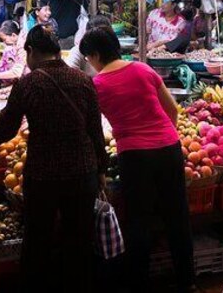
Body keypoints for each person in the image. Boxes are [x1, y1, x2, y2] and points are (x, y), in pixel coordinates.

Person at [0, 25, 107, 292]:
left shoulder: (29, 83)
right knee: (79, 240)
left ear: (31, 51)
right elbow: (95, 130)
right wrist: (101, 169)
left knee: (38, 239)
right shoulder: (82, 80)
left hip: (43, 175)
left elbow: (5, 129)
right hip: (82, 171)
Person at [80, 27, 195, 293]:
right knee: (177, 216)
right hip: (168, 147)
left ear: (96, 55)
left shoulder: (96, 85)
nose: (90, 64)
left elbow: (93, 130)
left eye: (89, 58)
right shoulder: (143, 69)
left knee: (138, 222)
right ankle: (186, 281)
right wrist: (166, 138)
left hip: (133, 155)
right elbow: (173, 110)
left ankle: (138, 284)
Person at [0, 20, 26, 85]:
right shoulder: (17, 43)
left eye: (4, 39)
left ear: (13, 35)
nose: (4, 42)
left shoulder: (22, 45)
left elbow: (17, 72)